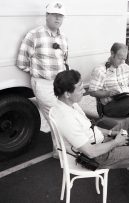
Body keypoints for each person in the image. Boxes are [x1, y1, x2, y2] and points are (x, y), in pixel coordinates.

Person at [52, 70, 129, 203]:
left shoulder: (68, 105)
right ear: (67, 94)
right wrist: (116, 142)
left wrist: (111, 133)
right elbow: (90, 152)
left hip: (99, 142)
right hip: (97, 155)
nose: (84, 90)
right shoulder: (66, 118)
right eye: (80, 88)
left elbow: (91, 128)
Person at [16, 1, 68, 157]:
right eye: (54, 15)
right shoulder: (34, 35)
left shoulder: (64, 37)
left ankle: (63, 149)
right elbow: (22, 62)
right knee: (55, 116)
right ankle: (60, 152)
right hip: (43, 84)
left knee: (67, 114)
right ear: (47, 16)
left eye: (60, 16)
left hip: (60, 84)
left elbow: (64, 60)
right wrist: (38, 74)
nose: (58, 19)